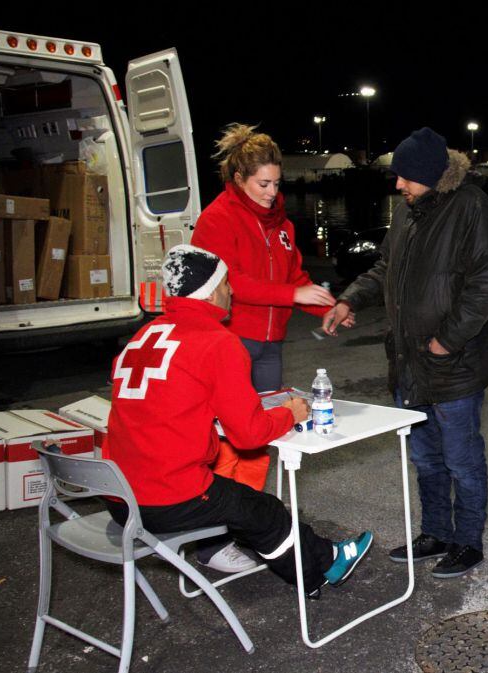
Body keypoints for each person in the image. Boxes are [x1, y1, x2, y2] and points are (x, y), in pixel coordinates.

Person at [103, 245, 371, 598]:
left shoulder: (141, 337)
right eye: (226, 283)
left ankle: (307, 565)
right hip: (164, 499)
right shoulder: (217, 342)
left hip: (118, 495)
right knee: (264, 511)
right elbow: (249, 436)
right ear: (211, 291)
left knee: (239, 503)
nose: (231, 291)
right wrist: (289, 413)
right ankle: (325, 564)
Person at [326, 128, 488, 578]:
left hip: (451, 365)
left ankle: (468, 542)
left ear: (429, 175)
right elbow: (386, 266)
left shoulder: (470, 207)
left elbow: (487, 283)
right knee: (425, 458)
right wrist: (350, 299)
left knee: (462, 460)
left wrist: (448, 340)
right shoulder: (408, 213)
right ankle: (436, 533)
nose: (398, 185)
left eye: (404, 177)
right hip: (408, 363)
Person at [191, 124, 337, 572]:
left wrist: (328, 308)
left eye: (277, 184)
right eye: (263, 184)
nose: (273, 193)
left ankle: (253, 530)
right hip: (232, 340)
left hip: (269, 345)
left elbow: (293, 279)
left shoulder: (282, 225)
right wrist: (293, 296)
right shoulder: (217, 219)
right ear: (239, 179)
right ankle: (210, 541)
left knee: (258, 440)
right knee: (223, 444)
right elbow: (227, 283)